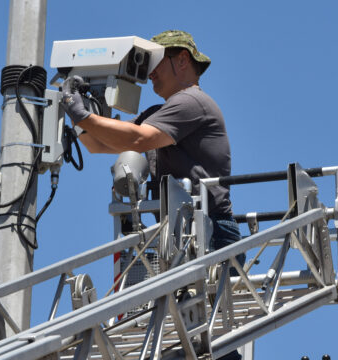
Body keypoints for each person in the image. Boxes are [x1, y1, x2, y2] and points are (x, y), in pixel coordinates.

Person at [62, 30, 243, 360]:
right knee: (188, 348)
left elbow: (136, 139)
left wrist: (82, 115)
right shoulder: (162, 112)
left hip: (210, 235)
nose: (150, 72)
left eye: (157, 62)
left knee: (205, 345)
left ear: (182, 61)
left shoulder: (191, 102)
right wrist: (84, 115)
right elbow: (100, 144)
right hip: (182, 238)